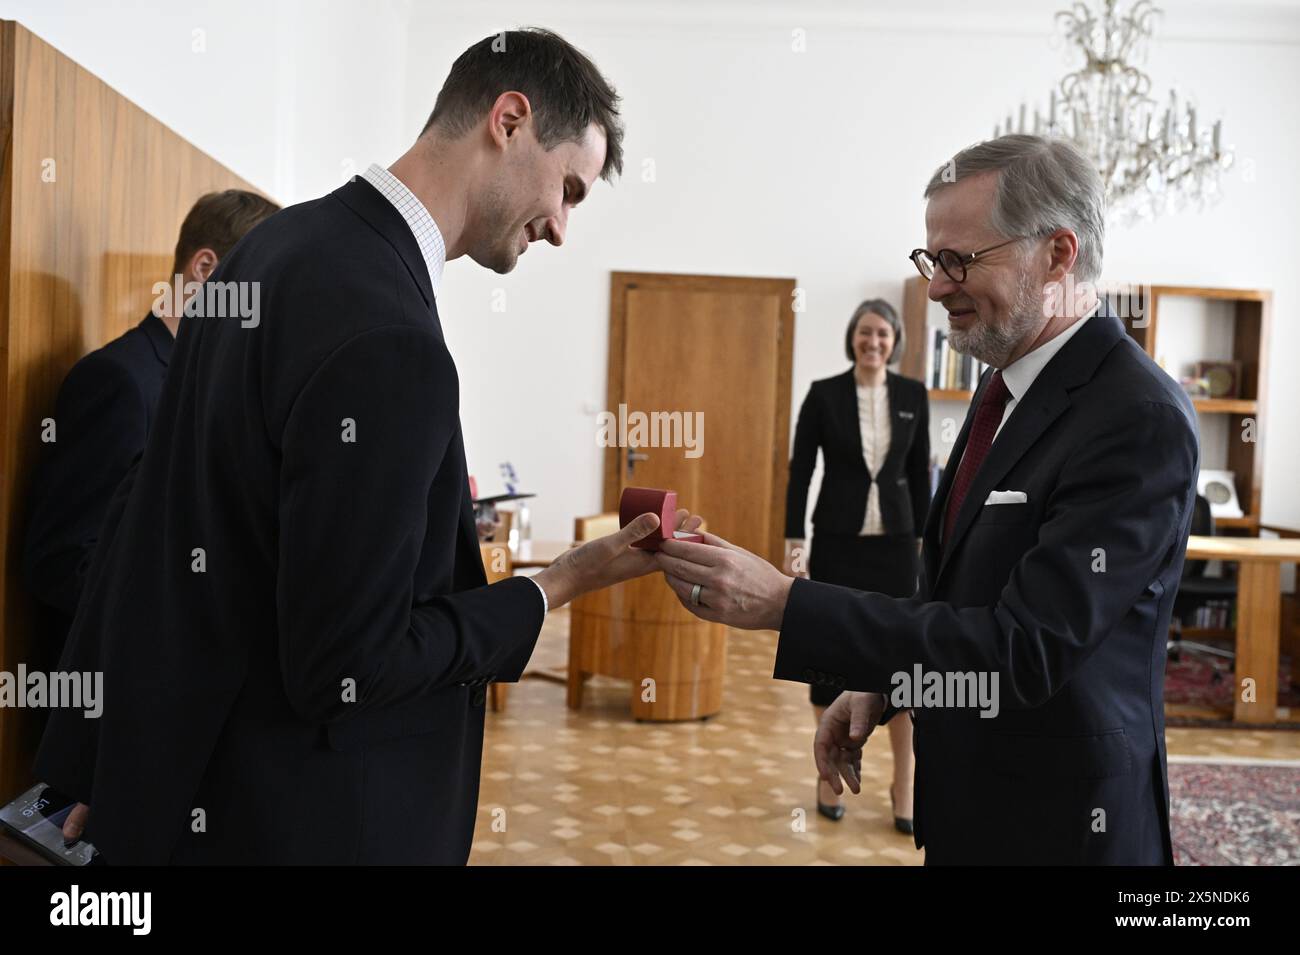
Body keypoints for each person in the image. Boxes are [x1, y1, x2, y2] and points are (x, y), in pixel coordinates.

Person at [36, 28, 699, 865]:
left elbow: (151, 521)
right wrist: (562, 582)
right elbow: (348, 661)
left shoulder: (274, 249)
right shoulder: (391, 334)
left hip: (185, 798)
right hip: (302, 819)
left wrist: (97, 763)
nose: (562, 228)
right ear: (509, 119)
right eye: (568, 188)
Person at [655, 134, 1198, 865]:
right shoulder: (1001, 384)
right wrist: (884, 685)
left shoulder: (1136, 417)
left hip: (1060, 828)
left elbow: (1021, 649)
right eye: (930, 260)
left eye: (959, 260)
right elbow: (960, 594)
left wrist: (788, 603)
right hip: (969, 806)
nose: (937, 286)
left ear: (1059, 255)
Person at [22, 190, 281, 649]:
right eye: (259, 286)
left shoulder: (209, 387)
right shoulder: (120, 380)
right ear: (204, 269)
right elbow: (61, 562)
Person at [784, 298, 928, 827]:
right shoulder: (824, 395)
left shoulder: (914, 395)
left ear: (894, 342)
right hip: (839, 544)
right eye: (865, 333)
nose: (873, 342)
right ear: (853, 337)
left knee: (902, 664)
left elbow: (919, 475)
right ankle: (829, 775)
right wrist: (793, 542)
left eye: (883, 335)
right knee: (829, 656)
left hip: (896, 547)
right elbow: (800, 472)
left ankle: (904, 785)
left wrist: (930, 542)